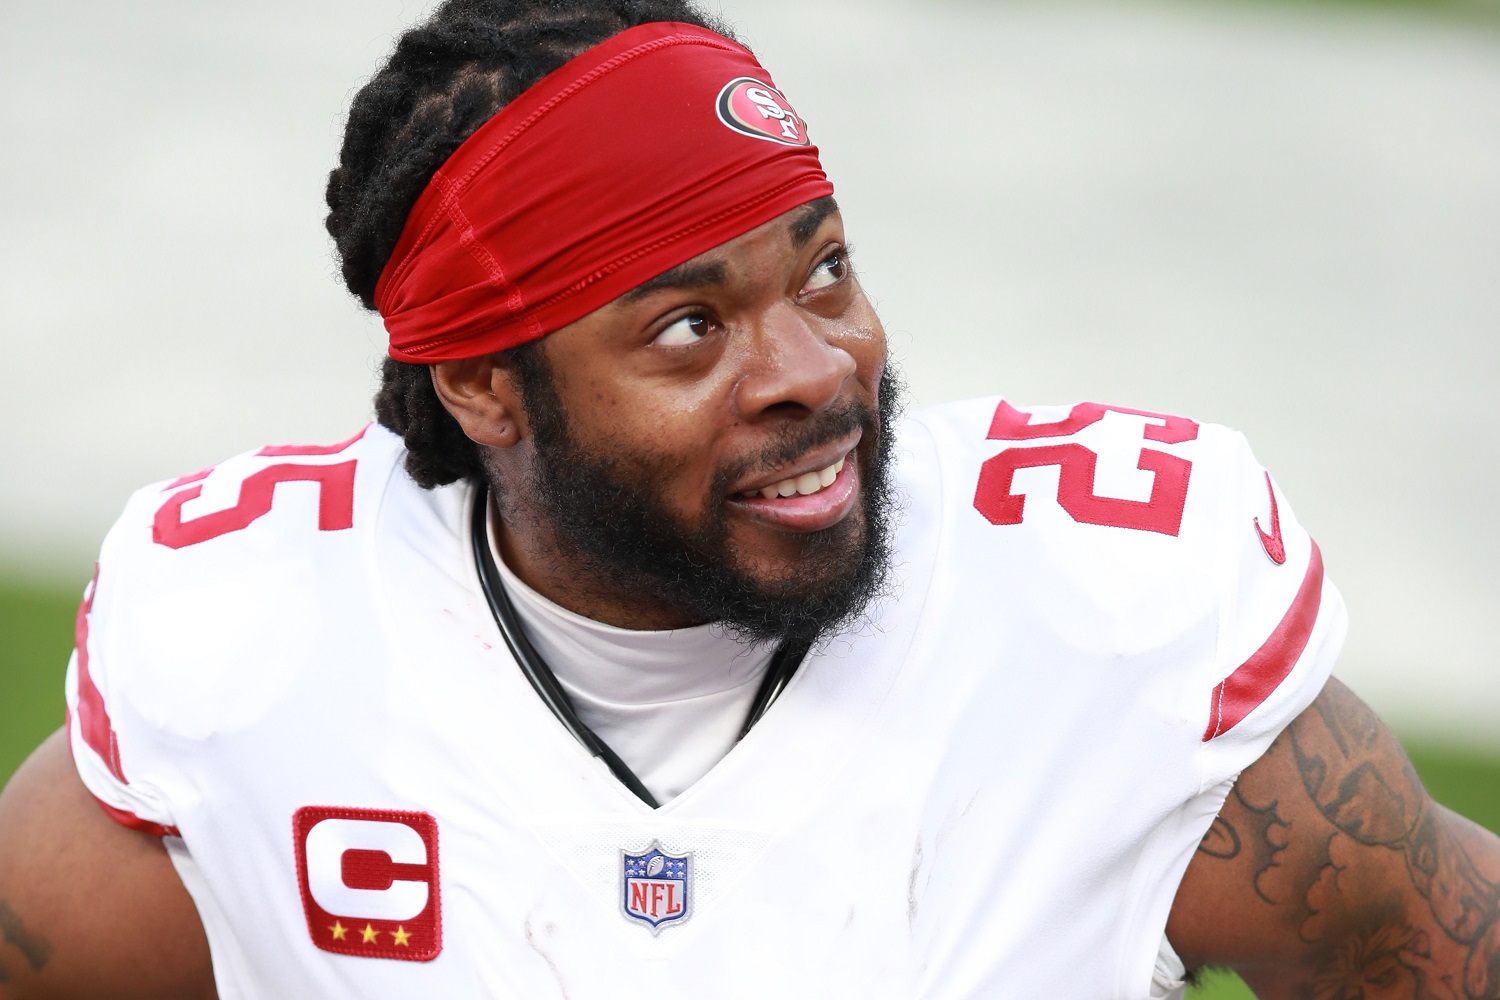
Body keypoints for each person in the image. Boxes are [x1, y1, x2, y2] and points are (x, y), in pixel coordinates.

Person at [1, 0, 1496, 996]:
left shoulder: (1107, 623)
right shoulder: (250, 654)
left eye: (825, 267)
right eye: (687, 328)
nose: (814, 369)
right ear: (483, 389)